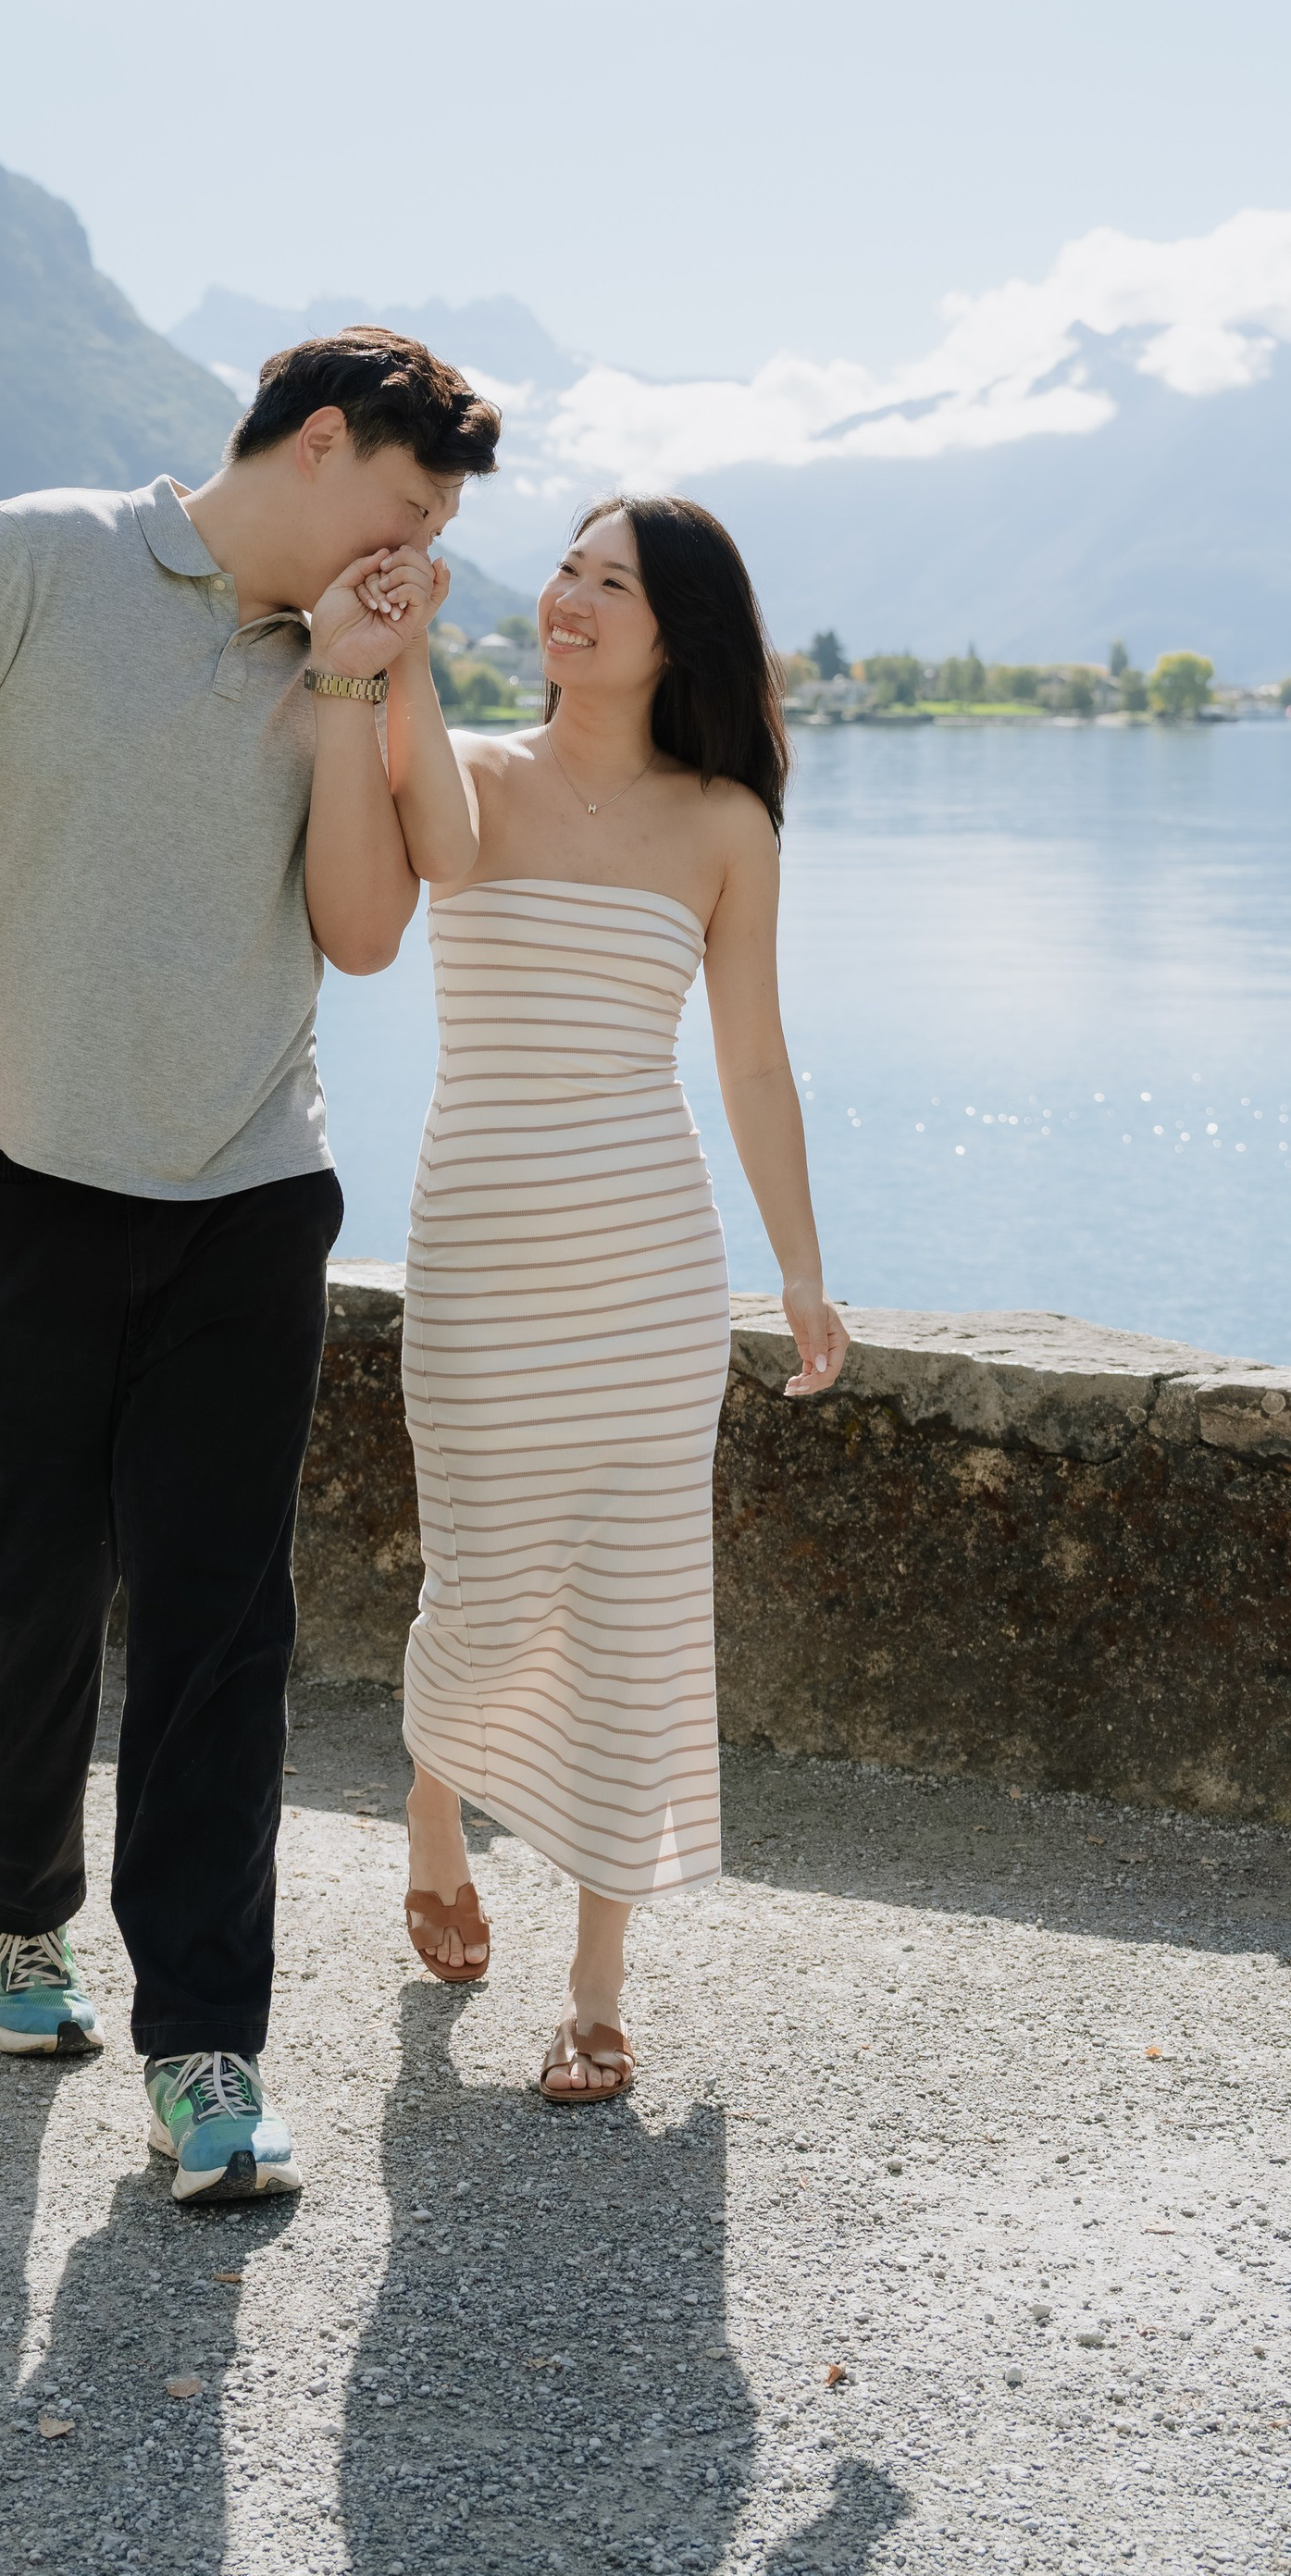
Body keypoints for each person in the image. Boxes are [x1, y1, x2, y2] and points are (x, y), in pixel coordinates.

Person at [0, 331, 500, 2205]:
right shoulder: (33, 557)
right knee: (15, 1597)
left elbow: (360, 930)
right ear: (318, 446)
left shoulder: (367, 648)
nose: (419, 550)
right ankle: (16, 1916)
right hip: (13, 1185)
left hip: (249, 1203)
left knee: (217, 1633)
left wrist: (353, 688)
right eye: (406, 508)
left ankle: (204, 2055)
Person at [326, 490, 850, 2101]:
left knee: (631, 1606)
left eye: (609, 582)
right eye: (562, 568)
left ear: (673, 630)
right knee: (483, 1584)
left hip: (647, 1266)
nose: (569, 597)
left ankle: (600, 1984)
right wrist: (397, 665)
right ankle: (436, 1809)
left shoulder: (724, 825)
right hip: (484, 1249)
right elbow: (447, 870)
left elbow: (751, 1061)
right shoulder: (468, 768)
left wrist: (804, 1271)